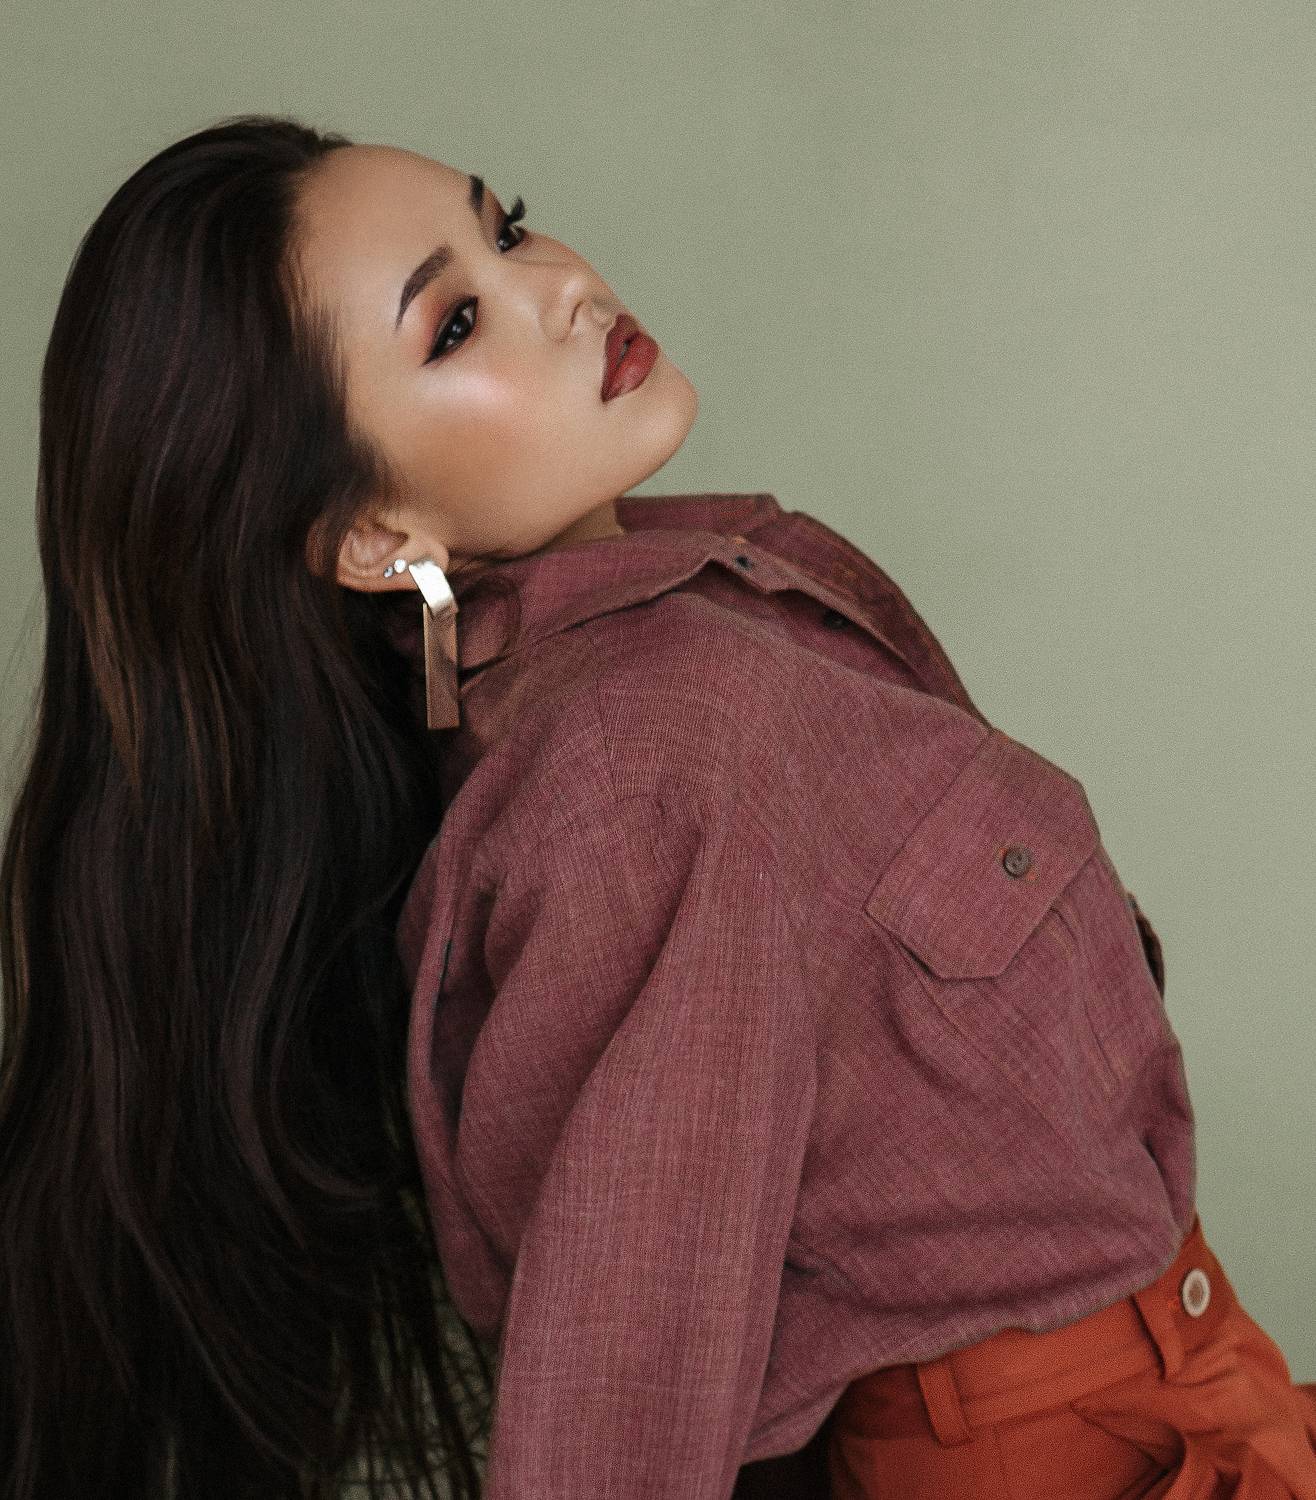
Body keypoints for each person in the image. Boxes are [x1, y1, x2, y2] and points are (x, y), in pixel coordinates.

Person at [2, 113, 1313, 1500]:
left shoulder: (698, 617)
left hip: (1203, 1402)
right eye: (454, 325)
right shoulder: (650, 772)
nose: (561, 286)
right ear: (378, 537)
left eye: (508, 228)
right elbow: (624, 1392)